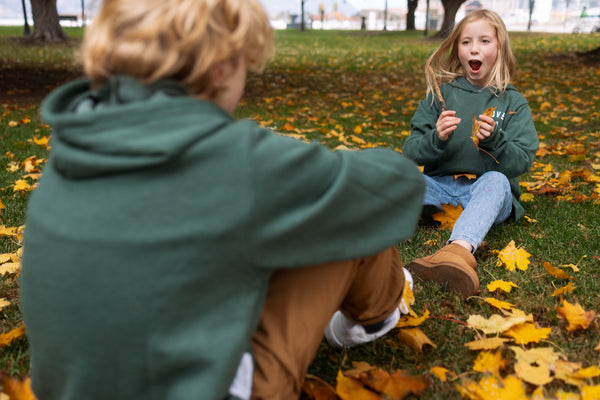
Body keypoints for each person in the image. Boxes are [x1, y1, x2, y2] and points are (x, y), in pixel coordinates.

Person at [19, 0, 425, 399]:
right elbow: (394, 185)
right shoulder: (236, 162)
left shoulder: (70, 151)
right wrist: (306, 166)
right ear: (220, 67)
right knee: (347, 208)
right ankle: (374, 316)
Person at [402, 10, 538, 298]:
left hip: (483, 192)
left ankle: (457, 251)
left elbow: (523, 160)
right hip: (440, 189)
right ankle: (369, 228)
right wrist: (436, 138)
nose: (474, 48)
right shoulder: (439, 95)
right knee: (398, 177)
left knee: (497, 181)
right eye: (466, 42)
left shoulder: (513, 102)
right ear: (457, 49)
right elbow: (410, 152)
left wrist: (496, 141)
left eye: (484, 41)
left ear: (500, 48)